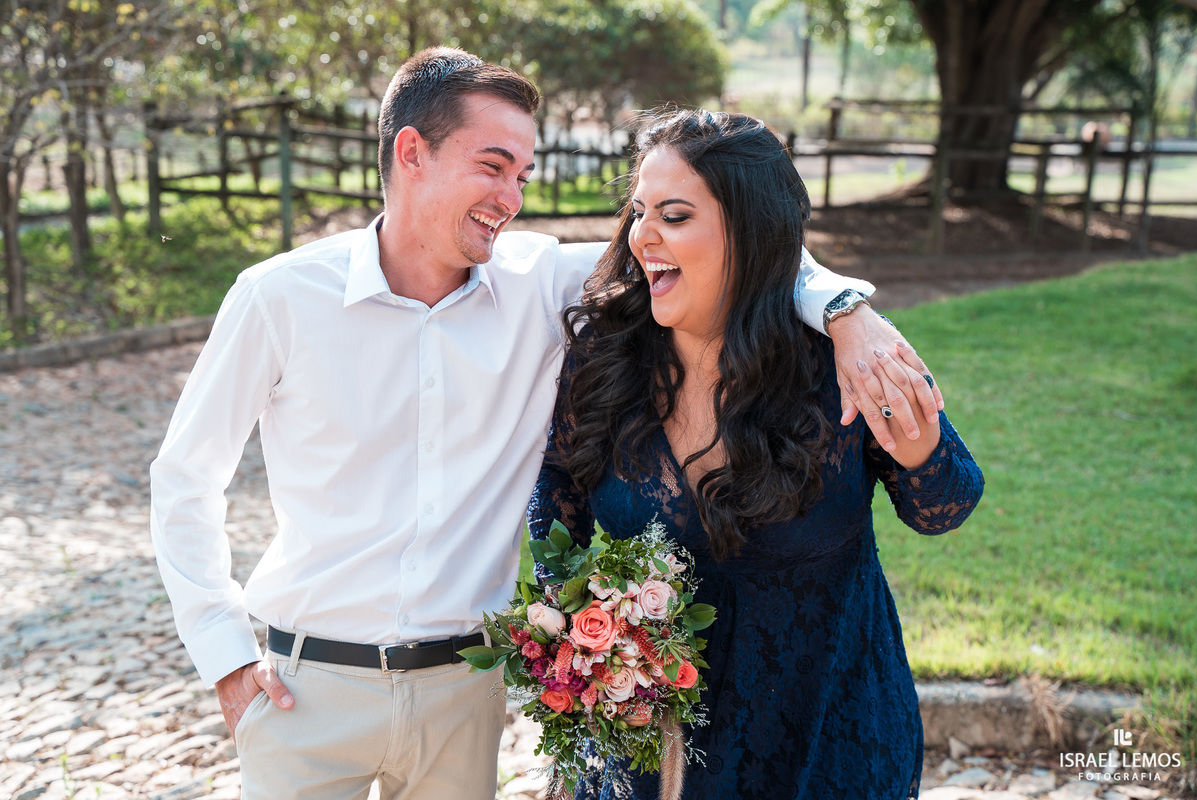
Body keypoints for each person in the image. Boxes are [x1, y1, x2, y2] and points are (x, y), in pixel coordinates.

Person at [149, 49, 944, 800]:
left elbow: (735, 240)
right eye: (493, 166)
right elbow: (185, 477)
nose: (512, 198)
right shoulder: (278, 297)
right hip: (306, 692)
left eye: (523, 174)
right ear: (412, 152)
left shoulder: (539, 282)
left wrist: (845, 310)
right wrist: (223, 658)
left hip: (463, 696)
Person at [527, 108, 985, 800]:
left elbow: (944, 506)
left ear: (748, 234)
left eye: (674, 216)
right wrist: (568, 625)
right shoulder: (604, 354)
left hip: (824, 741)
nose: (641, 236)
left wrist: (920, 451)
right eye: (639, 211)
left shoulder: (842, 367)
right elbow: (557, 482)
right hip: (652, 755)